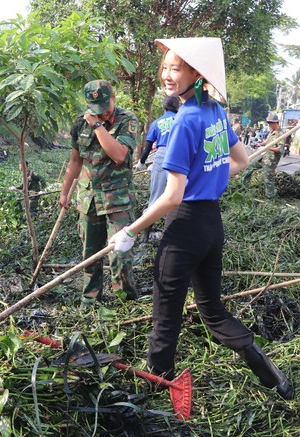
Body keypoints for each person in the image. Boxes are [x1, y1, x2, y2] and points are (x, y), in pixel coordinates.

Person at [109, 37, 293, 400]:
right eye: (165, 67)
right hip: (211, 225)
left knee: (165, 315)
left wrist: (129, 231)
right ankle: (272, 375)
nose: (166, 75)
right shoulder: (215, 113)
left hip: (184, 226)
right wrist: (208, 177)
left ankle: (153, 389)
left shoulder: (183, 122)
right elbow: (241, 161)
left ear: (197, 73)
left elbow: (172, 196)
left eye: (175, 68)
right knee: (212, 311)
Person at [59, 80, 139, 302]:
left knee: (120, 255)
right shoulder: (79, 124)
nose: (101, 114)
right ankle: (91, 301)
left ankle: (125, 302)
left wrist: (97, 126)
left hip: (118, 199)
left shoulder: (127, 120)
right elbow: (76, 160)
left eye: (104, 107)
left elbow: (119, 155)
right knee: (90, 255)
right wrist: (65, 192)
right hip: (89, 198)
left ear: (113, 98)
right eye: (96, 110)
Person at [135, 96, 180, 242]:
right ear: (177, 106)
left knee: (155, 197)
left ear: (164, 107)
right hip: (179, 155)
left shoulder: (157, 122)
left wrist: (142, 162)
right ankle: (173, 235)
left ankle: (145, 238)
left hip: (161, 156)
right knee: (177, 195)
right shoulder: (182, 119)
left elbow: (148, 146)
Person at [242, 113, 284, 198]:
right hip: (264, 157)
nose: (269, 125)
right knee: (249, 166)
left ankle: (270, 198)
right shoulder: (271, 131)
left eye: (270, 123)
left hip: (271, 160)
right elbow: (267, 142)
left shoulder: (281, 134)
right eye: (268, 123)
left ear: (276, 122)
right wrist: (259, 144)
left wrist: (268, 148)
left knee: (268, 180)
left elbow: (280, 150)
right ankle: (244, 188)